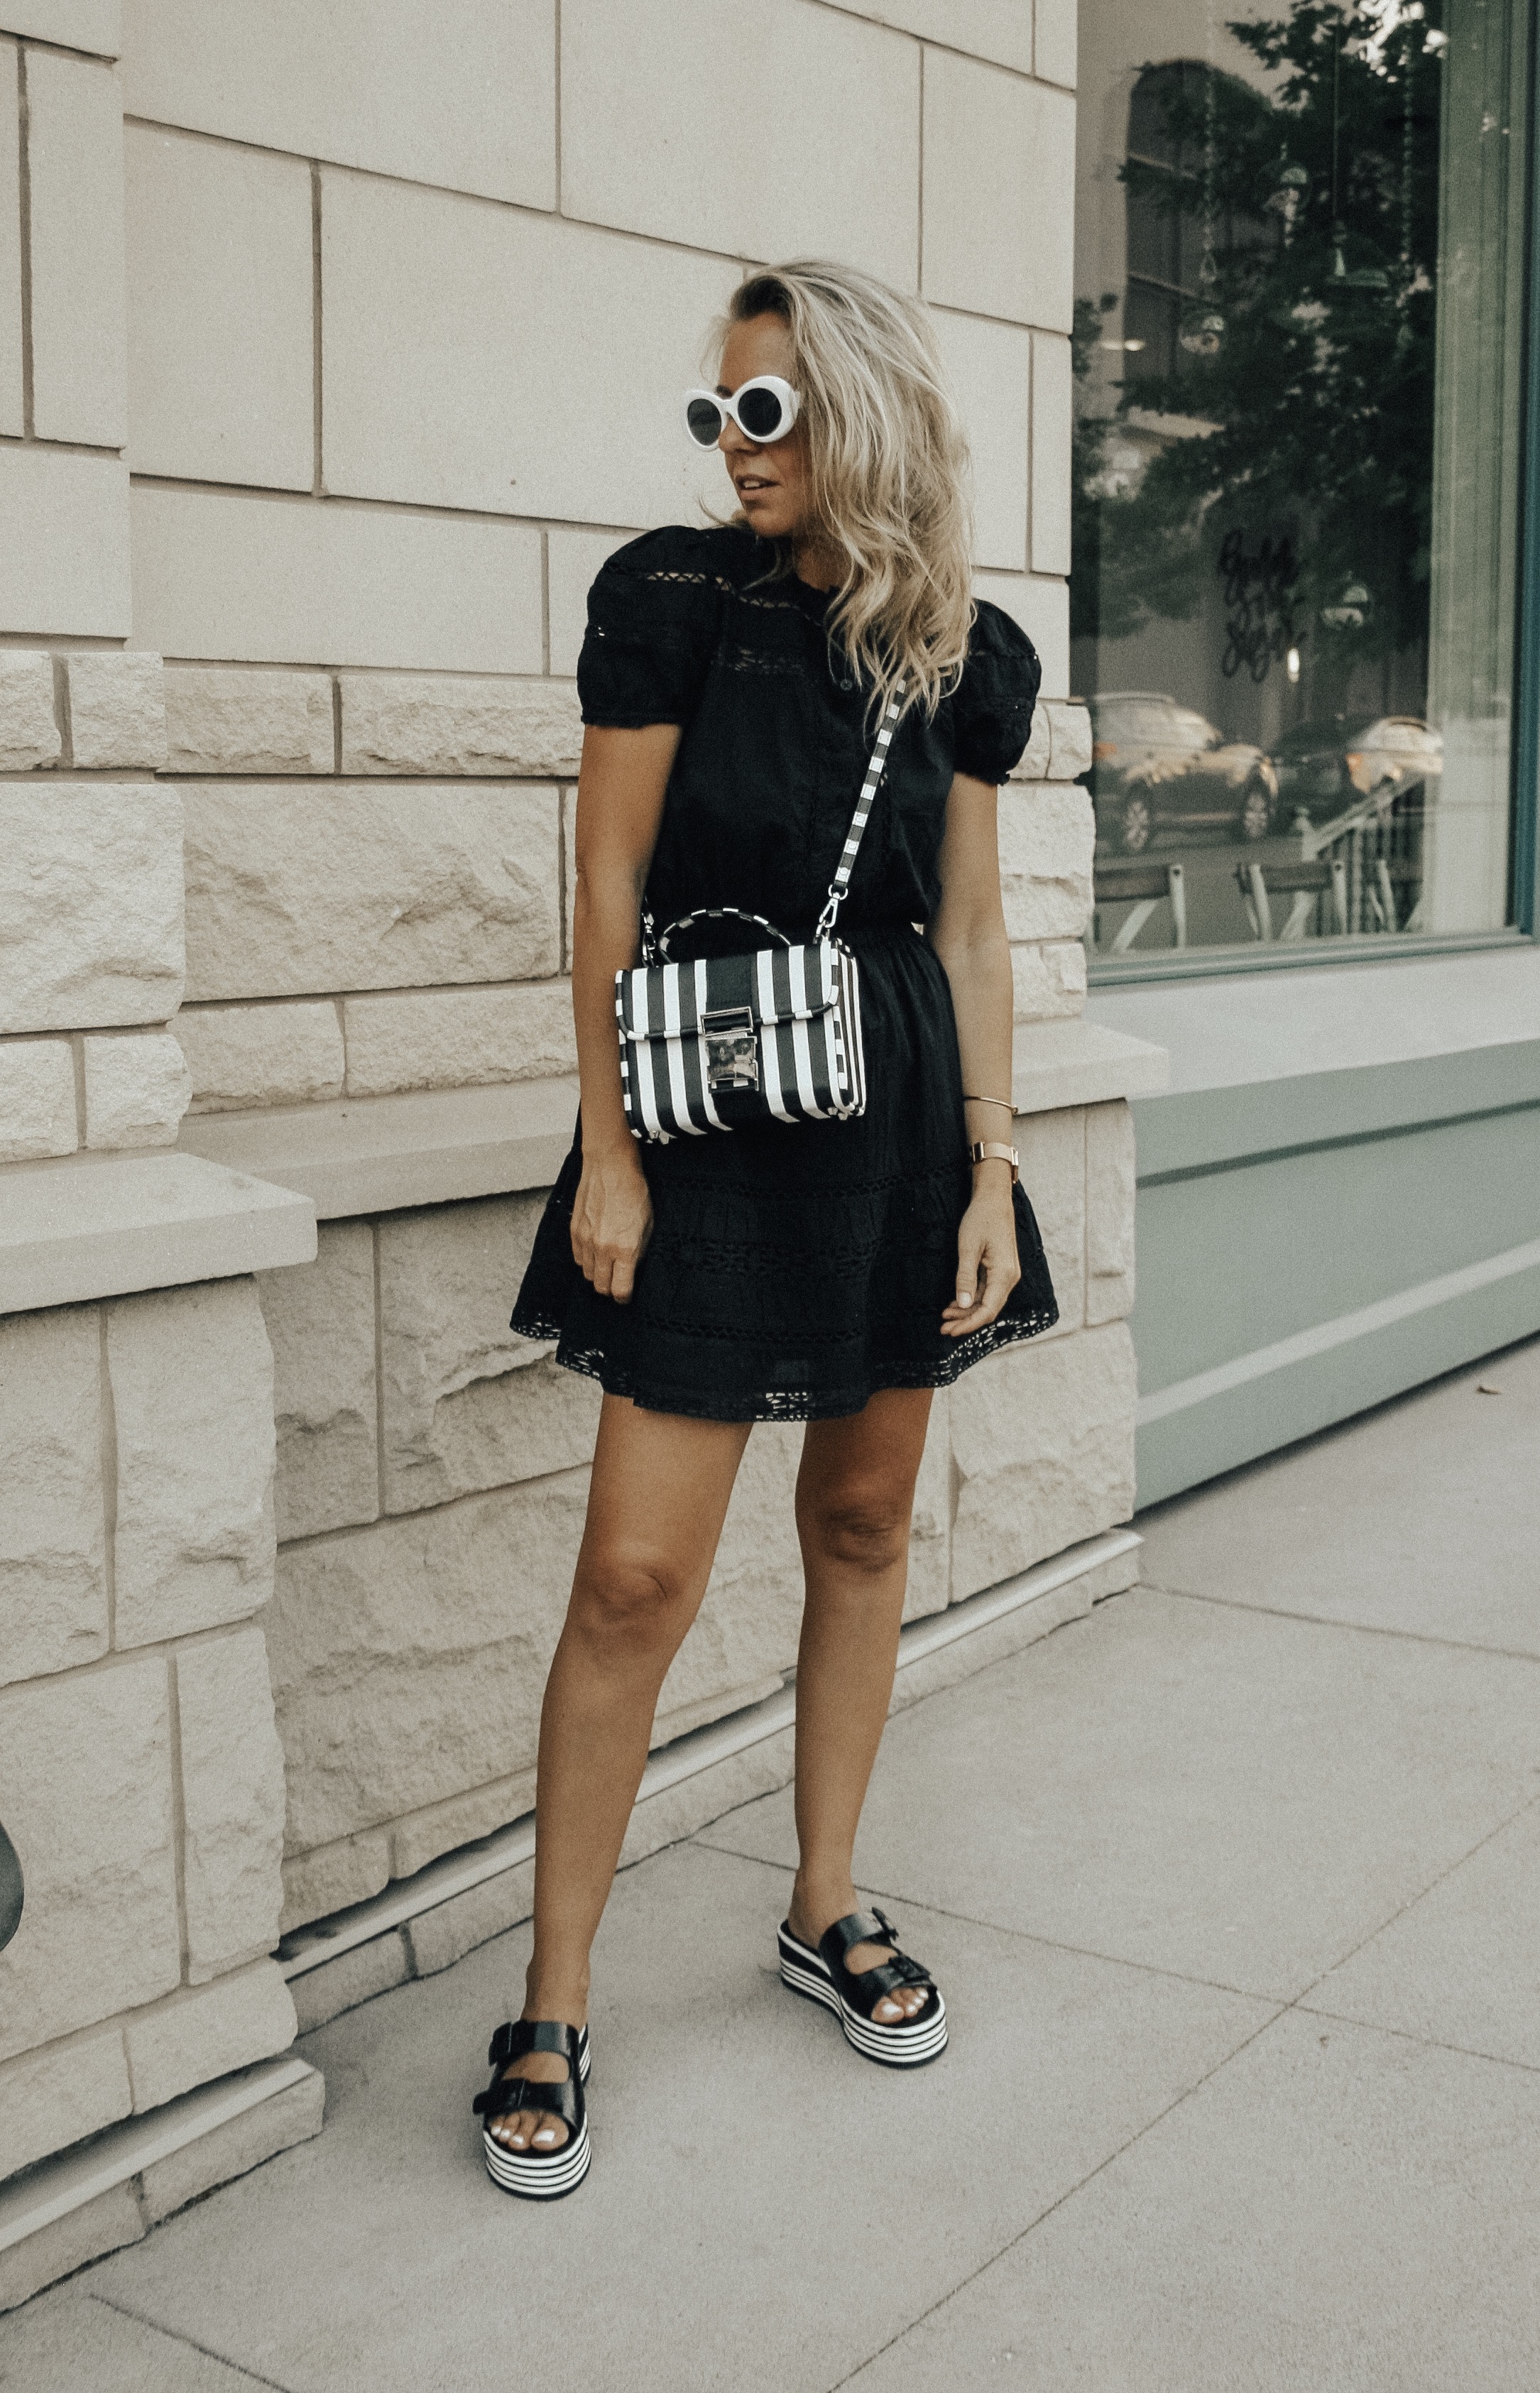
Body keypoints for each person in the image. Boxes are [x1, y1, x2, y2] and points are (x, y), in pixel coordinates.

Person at [472, 260, 1058, 2198]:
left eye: (769, 412)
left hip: (893, 1113)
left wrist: (989, 1161)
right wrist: (610, 1153)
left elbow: (965, 928)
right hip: (706, 1123)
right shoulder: (666, 605)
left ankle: (821, 1902)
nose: (735, 448)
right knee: (634, 1577)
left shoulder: (954, 647)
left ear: (859, 414)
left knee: (865, 1521)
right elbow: (607, 890)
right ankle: (551, 1993)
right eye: (717, 414)